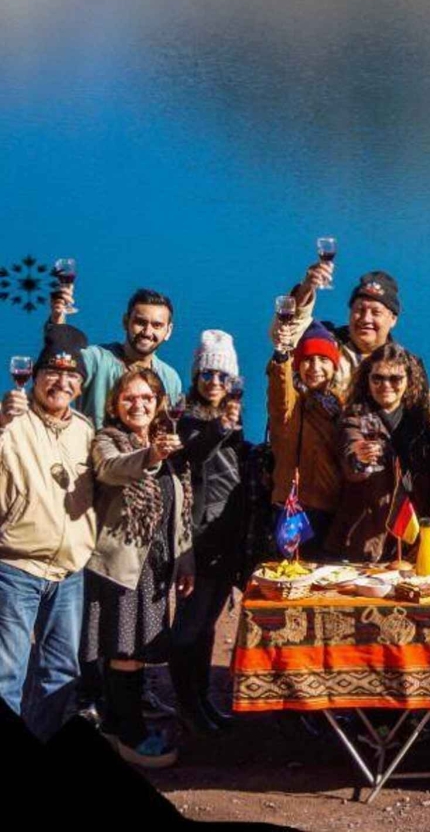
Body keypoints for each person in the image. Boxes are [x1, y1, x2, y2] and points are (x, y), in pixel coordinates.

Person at [84, 368, 192, 767]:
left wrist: (186, 558)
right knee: (124, 650)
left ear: (159, 402)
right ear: (115, 404)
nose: (138, 404)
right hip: (119, 567)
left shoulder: (168, 442)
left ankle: (117, 726)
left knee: (137, 651)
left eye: (147, 397)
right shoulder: (107, 440)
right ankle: (131, 737)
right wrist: (151, 456)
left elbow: (180, 507)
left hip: (156, 567)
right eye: (129, 397)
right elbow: (111, 468)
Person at [0, 324, 95, 741]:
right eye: (52, 372)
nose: (61, 382)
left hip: (69, 573)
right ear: (35, 376)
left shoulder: (85, 430)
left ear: (81, 385)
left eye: (71, 375)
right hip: (15, 568)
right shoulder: (11, 422)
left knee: (60, 671)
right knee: (7, 673)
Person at [169, 331, 248, 737]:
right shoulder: (185, 419)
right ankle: (186, 705)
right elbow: (194, 453)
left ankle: (201, 700)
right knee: (188, 628)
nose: (214, 382)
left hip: (225, 537)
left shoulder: (231, 422)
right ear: (195, 376)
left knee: (207, 627)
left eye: (223, 376)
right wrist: (223, 425)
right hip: (197, 539)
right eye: (207, 374)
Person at [328, 344, 430, 562]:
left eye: (395, 379)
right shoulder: (354, 418)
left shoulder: (421, 424)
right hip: (363, 542)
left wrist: (428, 535)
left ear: (409, 381)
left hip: (411, 540)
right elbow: (351, 459)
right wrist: (360, 458)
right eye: (377, 378)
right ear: (367, 380)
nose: (386, 385)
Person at [275, 262, 430, 413]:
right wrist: (307, 288)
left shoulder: (406, 366)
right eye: (359, 310)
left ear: (393, 319)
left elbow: (426, 411)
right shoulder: (325, 343)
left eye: (376, 312)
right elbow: (288, 332)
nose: (365, 319)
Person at [48, 284, 182, 427]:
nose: (147, 332)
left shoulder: (170, 379)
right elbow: (61, 361)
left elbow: (169, 426)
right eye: (140, 322)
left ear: (168, 331)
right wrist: (58, 319)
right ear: (126, 322)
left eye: (157, 325)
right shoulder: (96, 360)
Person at [266, 321, 345, 552]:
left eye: (323, 359)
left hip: (330, 509)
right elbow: (280, 390)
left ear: (334, 365)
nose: (315, 367)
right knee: (289, 570)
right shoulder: (292, 403)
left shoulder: (342, 405)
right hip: (291, 508)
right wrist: (282, 356)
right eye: (308, 359)